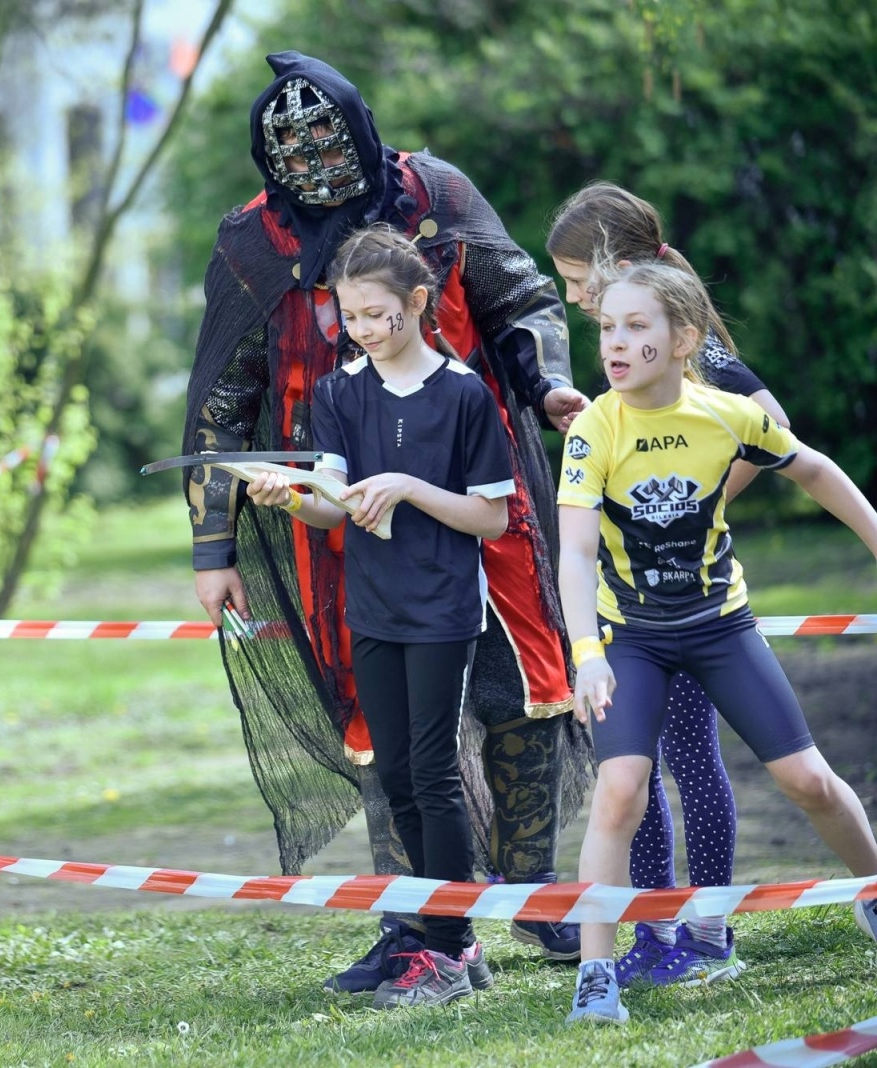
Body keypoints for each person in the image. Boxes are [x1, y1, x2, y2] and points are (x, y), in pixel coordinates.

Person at [181, 50, 596, 992]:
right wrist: (214, 546)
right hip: (343, 510)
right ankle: (417, 918)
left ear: (361, 131)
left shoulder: (436, 192)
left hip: (475, 480)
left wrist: (549, 385)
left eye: (329, 143)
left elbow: (522, 299)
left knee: (523, 688)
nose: (317, 166)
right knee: (386, 723)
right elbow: (221, 399)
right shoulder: (251, 241)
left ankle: (532, 892)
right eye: (294, 154)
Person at [559, 261, 877, 1024]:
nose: (615, 343)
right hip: (631, 636)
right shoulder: (595, 426)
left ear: (684, 340)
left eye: (636, 327)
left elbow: (815, 470)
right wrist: (587, 654)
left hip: (720, 626)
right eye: (607, 328)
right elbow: (574, 551)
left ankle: (872, 890)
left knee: (808, 780)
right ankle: (595, 977)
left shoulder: (730, 415)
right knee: (621, 790)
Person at [246, 225, 514, 1006]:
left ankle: (450, 950)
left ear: (418, 302)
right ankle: (446, 938)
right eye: (349, 315)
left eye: (375, 314)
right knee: (396, 774)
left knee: (433, 773)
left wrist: (408, 488)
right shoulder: (339, 393)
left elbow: (492, 518)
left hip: (443, 610)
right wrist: (289, 496)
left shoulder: (465, 394)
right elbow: (331, 508)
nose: (361, 329)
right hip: (373, 609)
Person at [546, 181, 791, 989]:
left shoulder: (691, 342)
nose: (573, 297)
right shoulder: (632, 338)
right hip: (630, 607)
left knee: (684, 760)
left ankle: (704, 930)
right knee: (636, 771)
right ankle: (658, 929)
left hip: (686, 601)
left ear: (617, 264)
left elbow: (774, 424)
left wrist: (697, 504)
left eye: (575, 278)